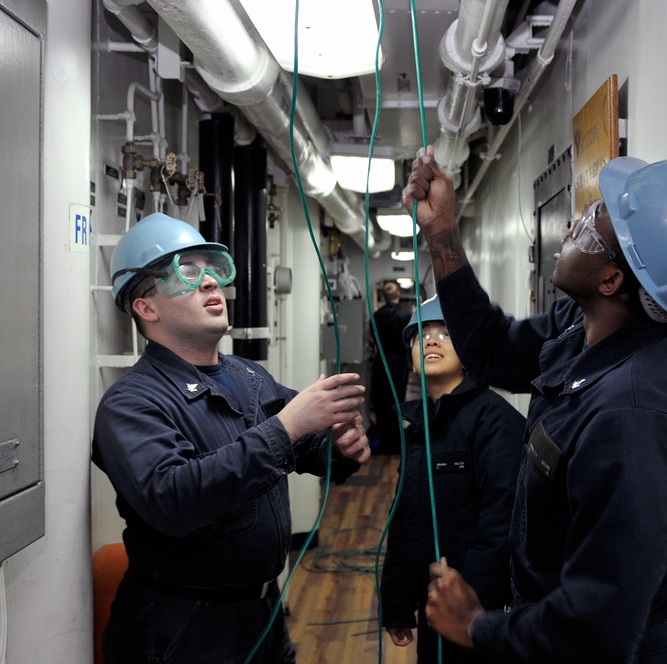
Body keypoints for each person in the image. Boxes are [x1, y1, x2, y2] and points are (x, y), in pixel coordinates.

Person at [404, 148, 667, 663]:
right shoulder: (588, 325)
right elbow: (493, 350)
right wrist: (442, 233)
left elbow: (596, 625)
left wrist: (476, 628)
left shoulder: (635, 417)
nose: (575, 225)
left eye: (593, 226)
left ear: (611, 280)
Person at [91, 212, 371, 664]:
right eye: (186, 272)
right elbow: (174, 500)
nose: (209, 282)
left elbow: (307, 447)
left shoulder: (248, 375)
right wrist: (289, 426)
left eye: (212, 269)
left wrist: (341, 448)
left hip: (262, 612)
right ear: (146, 307)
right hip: (183, 630)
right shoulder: (131, 404)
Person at [380, 295, 525, 663]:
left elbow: (501, 523)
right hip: (436, 609)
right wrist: (397, 603)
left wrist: (465, 605)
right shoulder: (419, 427)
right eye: (421, 336)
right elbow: (405, 518)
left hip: (478, 613)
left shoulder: (495, 422)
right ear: (410, 361)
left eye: (446, 334)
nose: (431, 341)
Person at [370, 281, 413, 454]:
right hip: (398, 364)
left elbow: (372, 337)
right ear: (399, 295)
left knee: (381, 404)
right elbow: (409, 339)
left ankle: (385, 443)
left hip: (380, 363)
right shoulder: (405, 316)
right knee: (397, 402)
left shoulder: (376, 315)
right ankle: (397, 444)